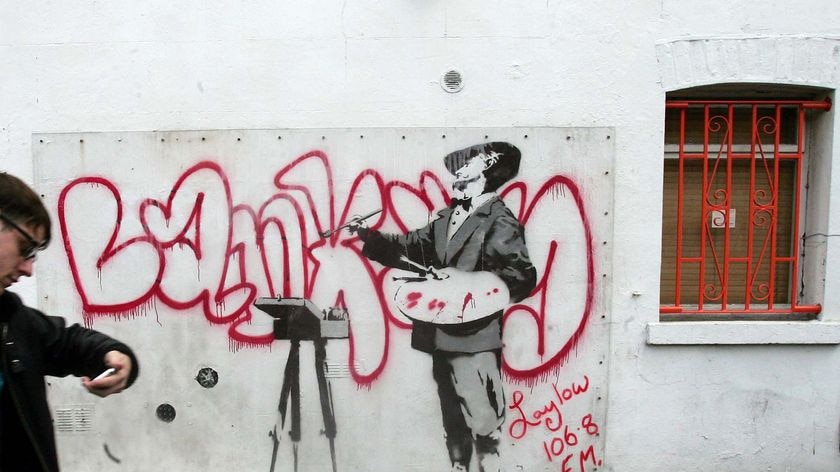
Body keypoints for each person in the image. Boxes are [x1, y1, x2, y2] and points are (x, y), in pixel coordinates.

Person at [355, 142, 537, 472]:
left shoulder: (499, 220)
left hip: (474, 341)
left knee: (483, 424)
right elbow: (410, 247)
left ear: (488, 167)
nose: (458, 169)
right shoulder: (446, 218)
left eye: (467, 163)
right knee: (453, 423)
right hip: (439, 335)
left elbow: (519, 276)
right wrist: (368, 236)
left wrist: (464, 284)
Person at [0, 172, 139, 472]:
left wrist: (115, 356)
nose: (27, 269)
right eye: (25, 248)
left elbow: (69, 341)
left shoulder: (13, 322)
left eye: (34, 254)